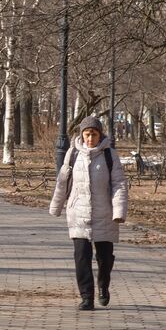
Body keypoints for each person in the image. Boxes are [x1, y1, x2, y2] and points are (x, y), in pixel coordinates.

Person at [48, 114, 128, 311]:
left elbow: (119, 184)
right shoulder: (73, 154)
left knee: (105, 257)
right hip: (78, 214)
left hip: (105, 214)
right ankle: (86, 297)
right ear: (82, 135)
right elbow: (63, 182)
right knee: (81, 257)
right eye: (87, 134)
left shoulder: (110, 155)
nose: (90, 138)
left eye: (94, 134)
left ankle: (103, 286)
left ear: (100, 135)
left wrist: (119, 211)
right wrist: (56, 207)